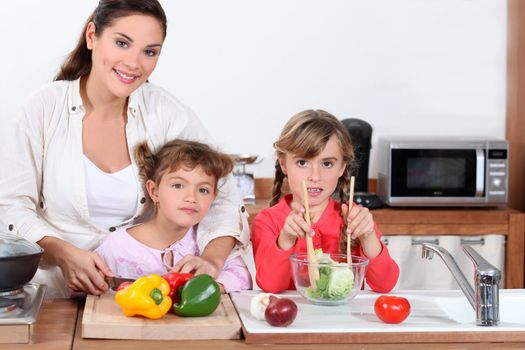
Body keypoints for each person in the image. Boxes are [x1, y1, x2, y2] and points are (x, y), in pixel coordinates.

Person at [0, 0, 249, 298]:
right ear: (92, 36)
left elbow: (224, 196)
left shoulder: (166, 113)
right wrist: (62, 252)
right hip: (54, 299)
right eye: (122, 43)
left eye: (149, 51)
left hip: (144, 298)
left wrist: (211, 259)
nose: (134, 63)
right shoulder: (43, 109)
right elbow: (11, 206)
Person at [251, 109, 399, 293]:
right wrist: (287, 239)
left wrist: (368, 237)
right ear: (283, 165)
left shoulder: (355, 216)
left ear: (342, 167)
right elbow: (270, 285)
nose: (315, 176)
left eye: (327, 163)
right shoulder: (267, 221)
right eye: (303, 163)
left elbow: (386, 284)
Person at [95, 140, 252, 293]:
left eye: (203, 190)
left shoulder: (208, 241)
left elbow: (242, 275)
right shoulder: (117, 246)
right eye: (178, 185)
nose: (191, 197)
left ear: (213, 197)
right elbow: (89, 286)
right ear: (154, 191)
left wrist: (207, 288)